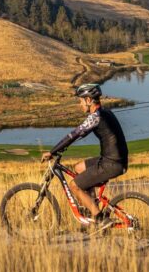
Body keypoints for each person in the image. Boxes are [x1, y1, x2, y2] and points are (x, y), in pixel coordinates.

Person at [42, 82, 128, 229]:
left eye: (81, 101)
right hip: (114, 159)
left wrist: (53, 151)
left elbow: (73, 135)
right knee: (79, 168)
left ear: (89, 100)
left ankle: (99, 218)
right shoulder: (105, 112)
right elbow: (77, 135)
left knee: (74, 185)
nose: (80, 104)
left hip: (111, 163)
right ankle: (91, 204)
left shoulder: (95, 117)